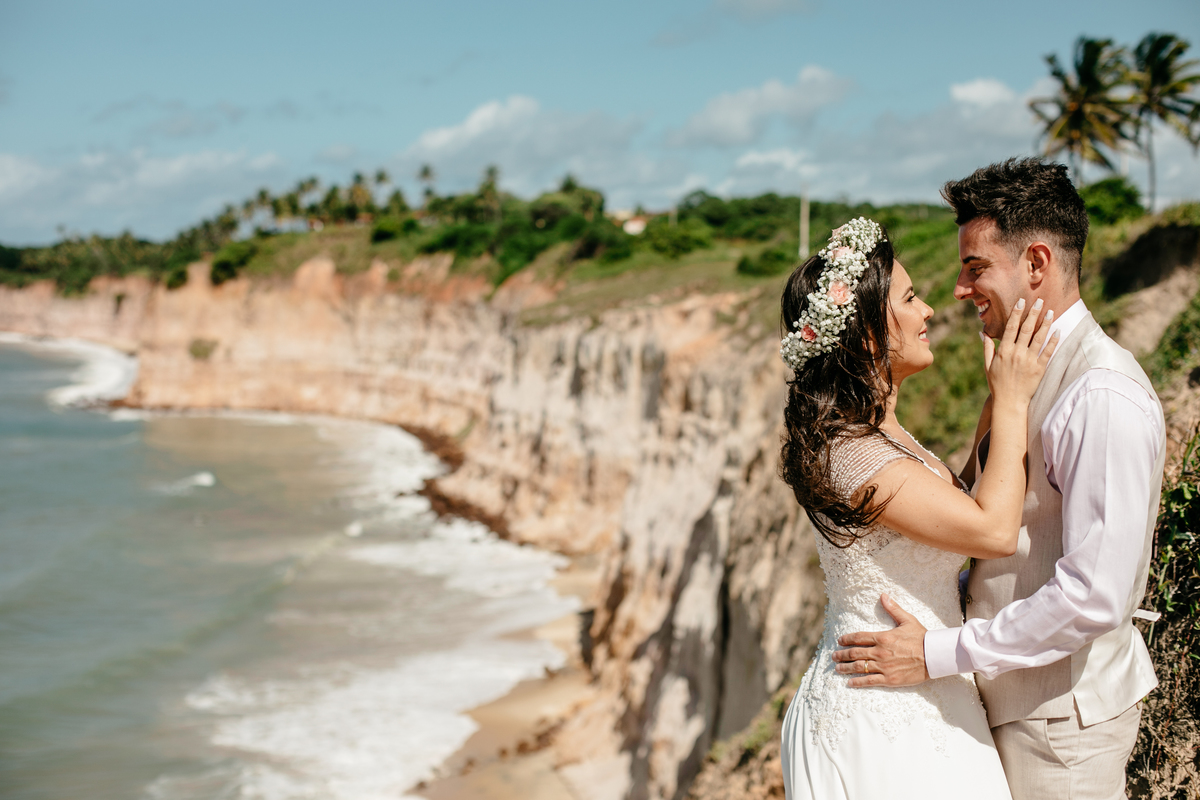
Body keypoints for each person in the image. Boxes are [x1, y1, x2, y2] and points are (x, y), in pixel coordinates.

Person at [832, 158, 1166, 800]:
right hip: (1014, 710)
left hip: (1061, 729)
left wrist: (937, 653)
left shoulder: (1101, 393)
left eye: (975, 267)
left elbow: (1095, 595)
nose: (959, 289)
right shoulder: (1024, 374)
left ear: (1036, 263)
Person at [776, 215, 1058, 800]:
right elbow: (993, 530)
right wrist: (1010, 400)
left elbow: (952, 504)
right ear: (869, 338)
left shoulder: (881, 433)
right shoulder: (850, 455)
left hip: (923, 681)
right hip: (885, 707)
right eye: (909, 298)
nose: (928, 310)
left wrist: (992, 402)